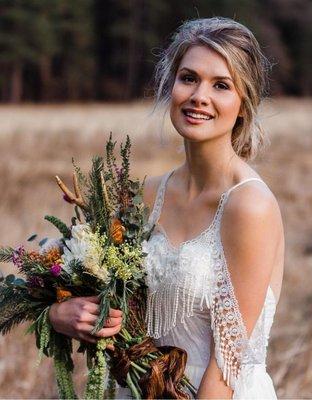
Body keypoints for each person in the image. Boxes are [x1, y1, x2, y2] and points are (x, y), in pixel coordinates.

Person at [50, 16, 285, 399]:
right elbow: (102, 294)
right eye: (188, 78)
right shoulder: (147, 196)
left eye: (221, 85)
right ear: (171, 85)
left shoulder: (249, 206)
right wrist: (61, 313)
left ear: (243, 105)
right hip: (138, 387)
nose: (199, 96)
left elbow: (228, 365)